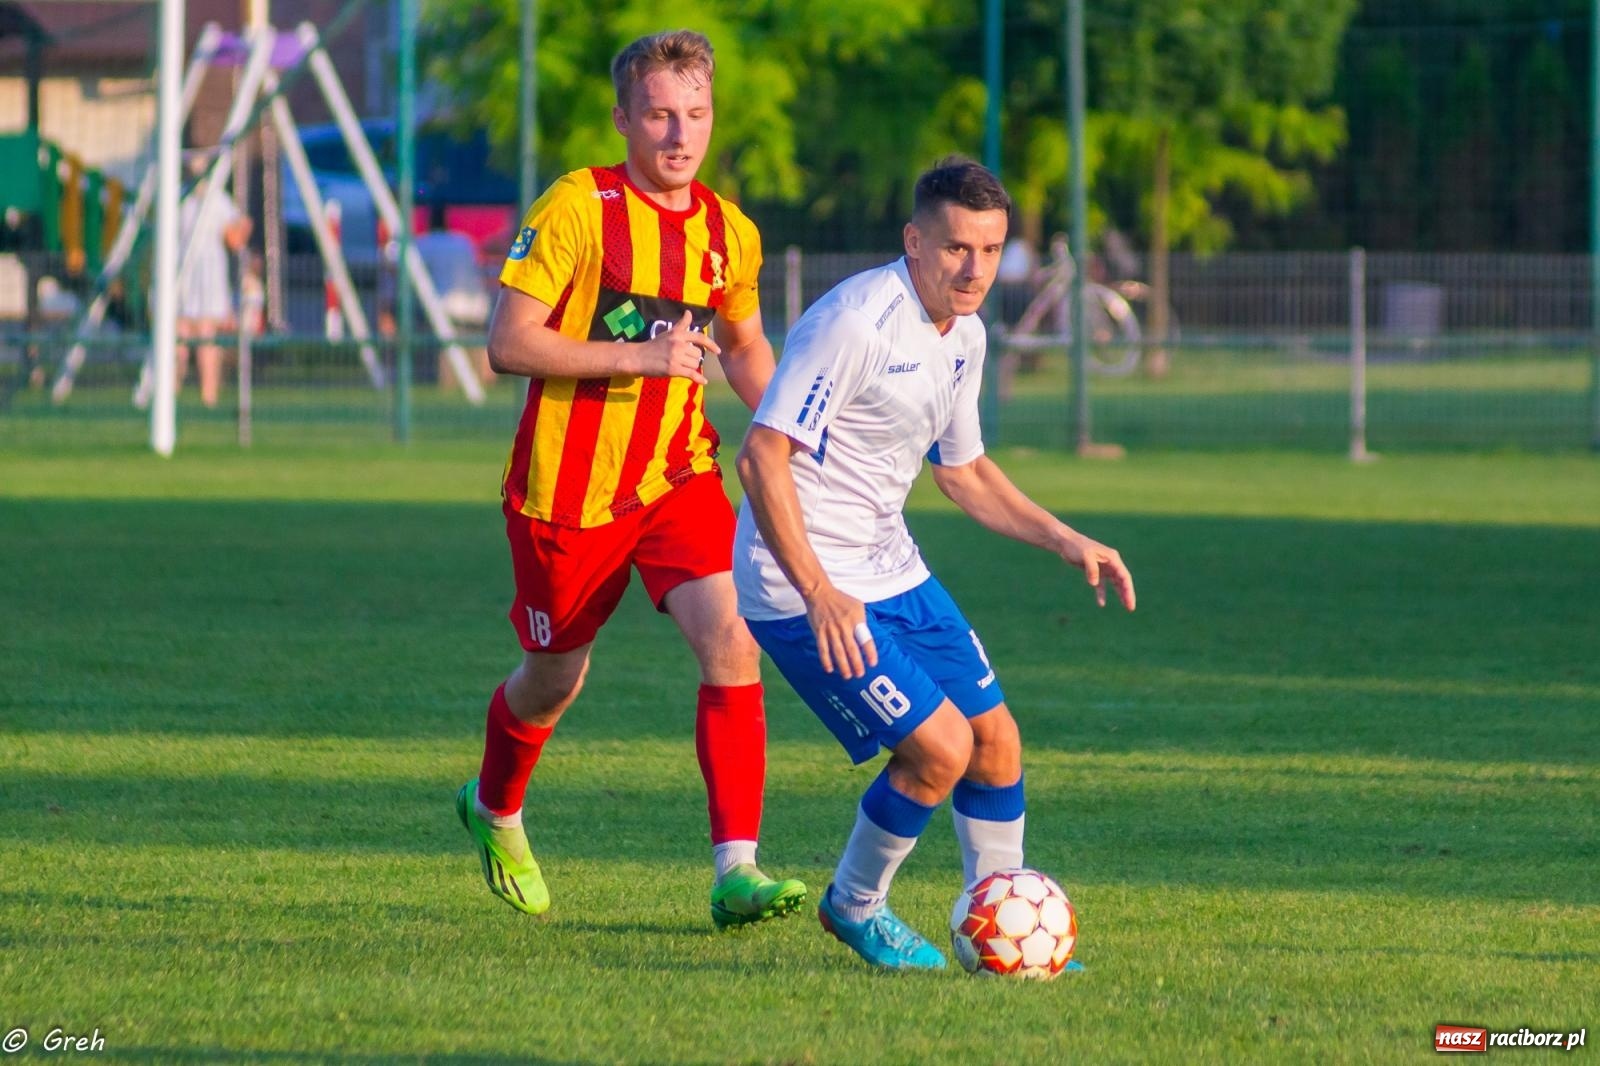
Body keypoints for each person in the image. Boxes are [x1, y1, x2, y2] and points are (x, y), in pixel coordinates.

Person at [732, 157, 1136, 970]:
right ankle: (855, 907)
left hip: (892, 568)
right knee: (940, 751)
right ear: (915, 241)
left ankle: (1002, 928)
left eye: (990, 249)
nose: (975, 268)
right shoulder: (856, 322)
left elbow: (963, 471)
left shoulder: (970, 333)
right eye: (957, 247)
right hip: (800, 582)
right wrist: (819, 592)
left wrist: (1065, 537)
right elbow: (762, 457)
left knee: (997, 745)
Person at [456, 29, 807, 930]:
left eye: (693, 114)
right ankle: (494, 807)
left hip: (677, 474)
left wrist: (794, 430)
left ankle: (737, 870)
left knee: (732, 638)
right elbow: (507, 343)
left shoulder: (731, 232)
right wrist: (638, 358)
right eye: (658, 114)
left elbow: (746, 343)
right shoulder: (578, 207)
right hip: (565, 494)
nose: (678, 134)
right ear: (623, 119)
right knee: (553, 680)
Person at [176, 153, 252, 408]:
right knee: (179, 340)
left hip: (208, 278)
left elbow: (234, 240)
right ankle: (170, 395)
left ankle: (209, 397)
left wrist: (242, 225)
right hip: (182, 279)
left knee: (207, 337)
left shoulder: (218, 202)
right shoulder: (179, 198)